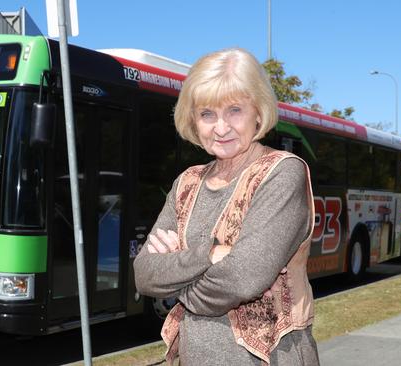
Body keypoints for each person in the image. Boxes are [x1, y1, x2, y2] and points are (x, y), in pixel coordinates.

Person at [133, 48, 319, 365]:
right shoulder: (186, 183)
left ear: (258, 112)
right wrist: (208, 254)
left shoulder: (282, 172)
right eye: (207, 114)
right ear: (193, 119)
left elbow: (243, 279)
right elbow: (144, 274)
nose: (221, 127)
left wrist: (179, 286)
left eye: (234, 110)